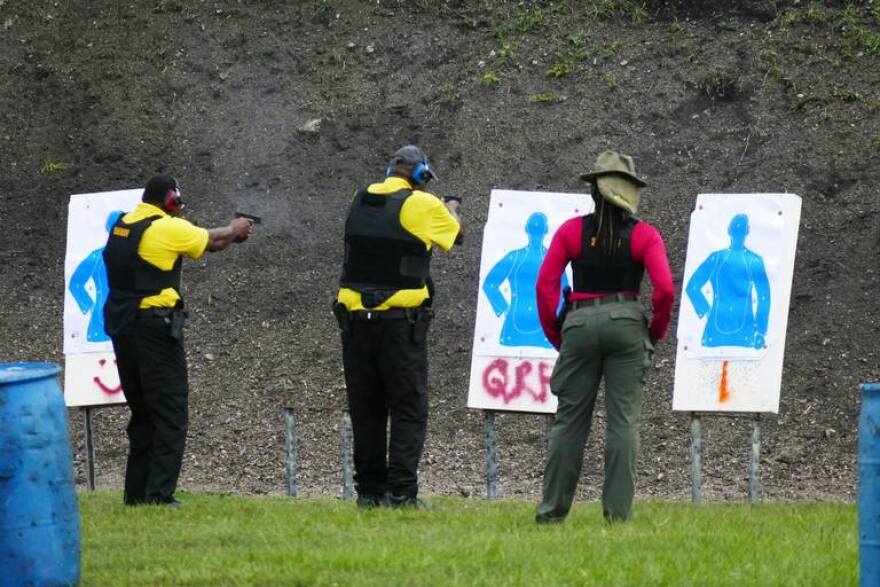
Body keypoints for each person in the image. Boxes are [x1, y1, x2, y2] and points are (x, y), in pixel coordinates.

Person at [534, 151, 674, 523]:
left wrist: (558, 334)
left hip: (579, 324)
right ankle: (616, 517)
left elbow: (546, 285)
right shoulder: (645, 235)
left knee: (569, 422)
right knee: (623, 422)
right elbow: (664, 290)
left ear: (593, 191)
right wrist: (654, 331)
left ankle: (551, 513)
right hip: (628, 325)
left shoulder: (569, 232)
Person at [102, 174, 254, 507]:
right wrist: (237, 228)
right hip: (154, 329)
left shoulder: (124, 224)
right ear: (170, 201)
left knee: (142, 411)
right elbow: (214, 240)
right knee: (170, 410)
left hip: (122, 325)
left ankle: (137, 493)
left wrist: (230, 234)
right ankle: (159, 496)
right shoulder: (166, 227)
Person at [334, 145, 461, 509]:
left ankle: (369, 493)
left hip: (354, 323)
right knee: (408, 406)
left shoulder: (359, 199)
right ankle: (402, 493)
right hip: (398, 326)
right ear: (421, 176)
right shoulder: (421, 204)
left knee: (366, 407)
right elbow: (454, 235)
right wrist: (451, 205)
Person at [482, 212, 568, 349]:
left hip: (517, 323)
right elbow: (566, 293)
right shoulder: (553, 257)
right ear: (546, 230)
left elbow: (490, 284)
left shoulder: (515, 257)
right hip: (544, 327)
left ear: (526, 229)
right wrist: (557, 315)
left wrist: (503, 308)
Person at [685, 213, 770, 349]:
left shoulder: (716, 258)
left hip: (715, 331)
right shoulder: (754, 260)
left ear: (729, 231)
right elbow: (764, 297)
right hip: (745, 335)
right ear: (747, 231)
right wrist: (760, 331)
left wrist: (706, 311)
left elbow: (692, 287)